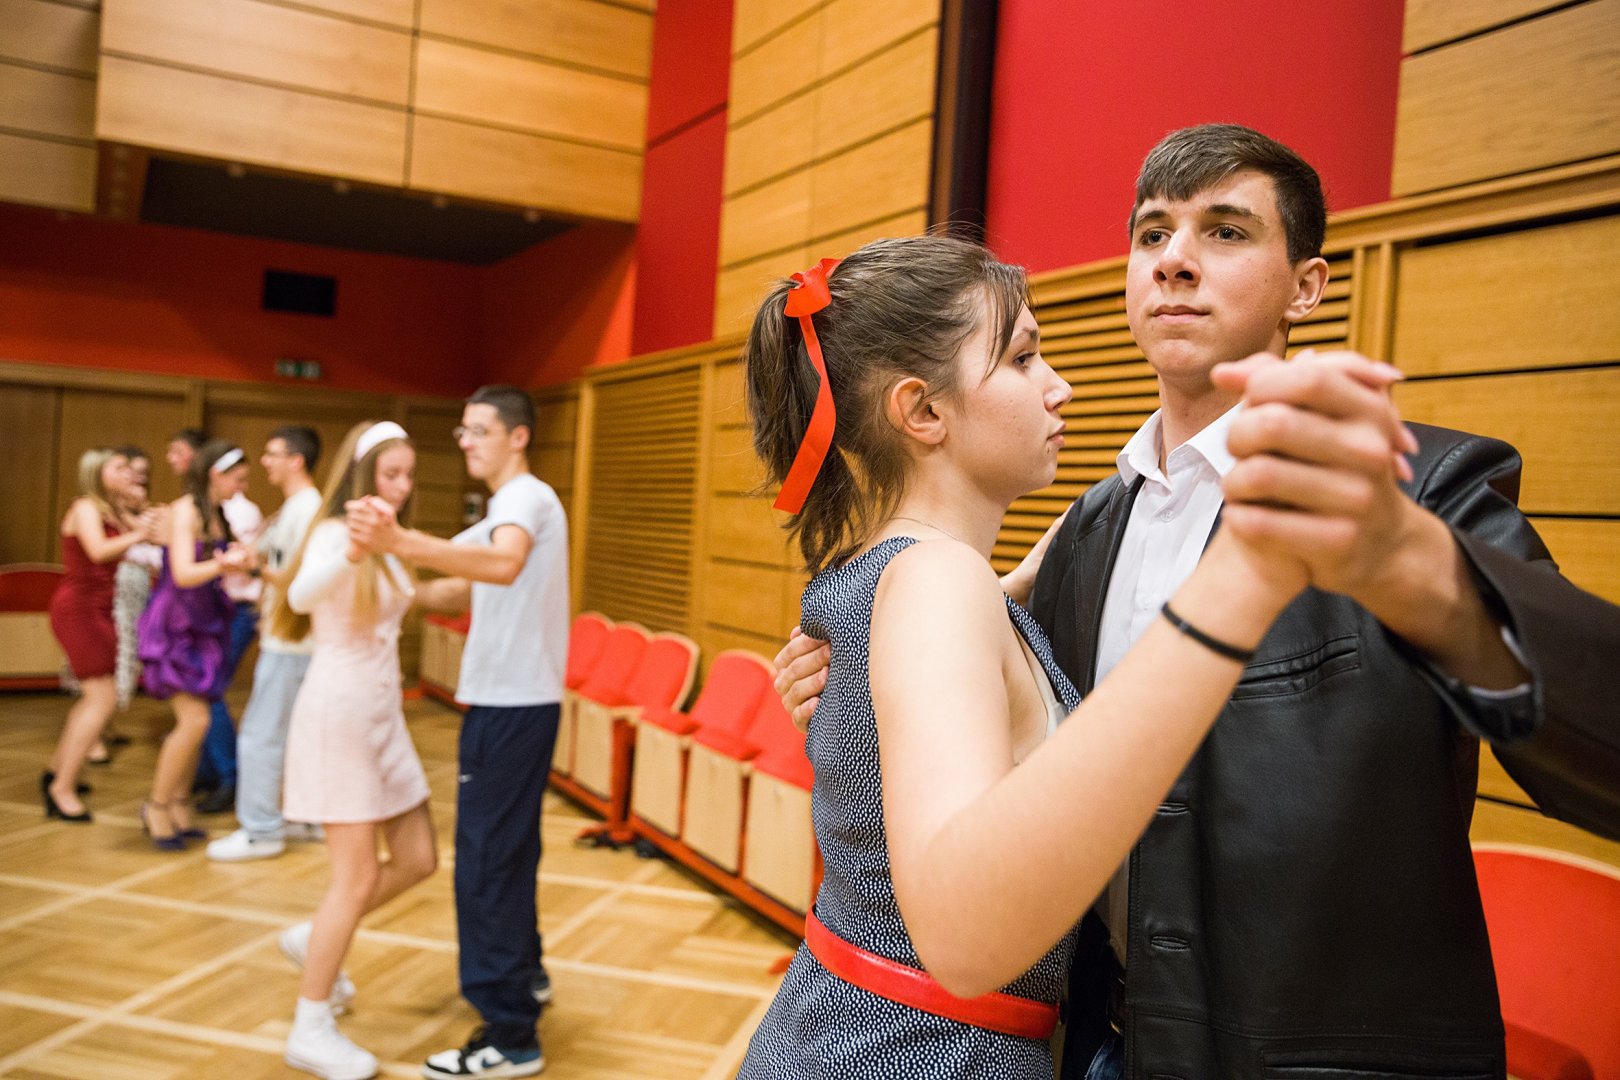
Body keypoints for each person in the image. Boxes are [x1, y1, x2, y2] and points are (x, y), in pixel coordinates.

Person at [774, 125, 1620, 1079]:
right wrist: (854, 665)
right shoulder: (1085, 532)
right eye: (1152, 233)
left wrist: (1420, 569)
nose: (1175, 258)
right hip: (1099, 1046)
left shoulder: (1414, 491)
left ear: (1307, 286)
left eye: (1225, 231)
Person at [734, 236, 1406, 1078]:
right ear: (924, 412)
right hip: (919, 1051)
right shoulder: (939, 583)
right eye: (1023, 358)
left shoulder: (901, 575)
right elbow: (966, 926)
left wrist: (1005, 591)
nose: (1060, 386)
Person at [346, 386, 568, 1080]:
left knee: (485, 864)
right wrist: (391, 589)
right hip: (517, 705)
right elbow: (457, 582)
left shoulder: (524, 499)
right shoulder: (508, 510)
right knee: (508, 852)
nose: (465, 440)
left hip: (511, 707)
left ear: (517, 437)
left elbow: (500, 565)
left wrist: (396, 541)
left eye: (478, 430)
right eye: (463, 430)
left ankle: (509, 1034)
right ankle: (525, 976)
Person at [273, 420, 438, 1080]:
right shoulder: (335, 534)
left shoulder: (393, 541)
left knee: (419, 857)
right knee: (357, 876)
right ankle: (309, 1025)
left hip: (381, 715)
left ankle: (311, 938)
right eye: (391, 474)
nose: (401, 487)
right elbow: (297, 595)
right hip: (339, 715)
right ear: (364, 475)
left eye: (408, 475)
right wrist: (352, 550)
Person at [208, 425, 325, 862]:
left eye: (273, 453)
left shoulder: (307, 508)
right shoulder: (295, 508)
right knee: (293, 735)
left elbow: (299, 578)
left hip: (291, 642)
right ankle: (305, 817)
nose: (264, 462)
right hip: (288, 639)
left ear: (296, 460)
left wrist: (252, 569)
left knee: (261, 734)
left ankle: (260, 830)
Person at [135, 440, 254, 850]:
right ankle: (156, 805)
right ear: (215, 475)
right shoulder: (186, 510)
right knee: (195, 721)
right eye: (238, 479)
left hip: (205, 621)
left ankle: (178, 802)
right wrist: (223, 563)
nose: (241, 488)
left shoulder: (216, 513)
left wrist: (236, 559)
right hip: (178, 623)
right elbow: (184, 573)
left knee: (198, 720)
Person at [43, 448, 157, 820]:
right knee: (102, 699)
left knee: (96, 697)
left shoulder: (113, 510)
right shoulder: (86, 507)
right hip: (79, 609)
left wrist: (145, 518)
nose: (128, 473)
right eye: (119, 467)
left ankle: (57, 774)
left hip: (100, 609)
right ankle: (61, 789)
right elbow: (98, 550)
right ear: (98, 473)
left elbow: (150, 538)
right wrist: (140, 530)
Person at [195, 449, 265, 814]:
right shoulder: (210, 510)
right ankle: (209, 770)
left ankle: (229, 774)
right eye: (238, 479)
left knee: (211, 689)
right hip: (221, 610)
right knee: (204, 689)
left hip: (239, 610)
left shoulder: (242, 511)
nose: (243, 487)